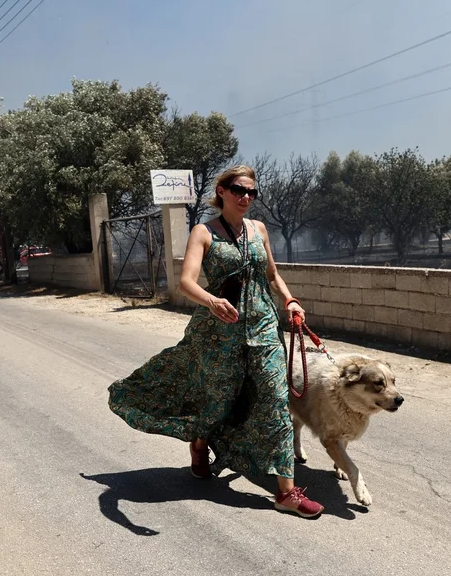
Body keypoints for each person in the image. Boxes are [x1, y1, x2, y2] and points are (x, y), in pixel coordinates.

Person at [107, 165, 324, 519]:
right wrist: (211, 300)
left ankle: (286, 492)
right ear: (221, 191)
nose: (246, 198)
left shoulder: (259, 230)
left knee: (276, 403)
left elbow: (271, 274)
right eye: (239, 190)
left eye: (252, 192)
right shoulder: (203, 232)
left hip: (264, 329)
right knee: (217, 402)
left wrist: (290, 301)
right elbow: (186, 282)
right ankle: (200, 444)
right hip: (220, 334)